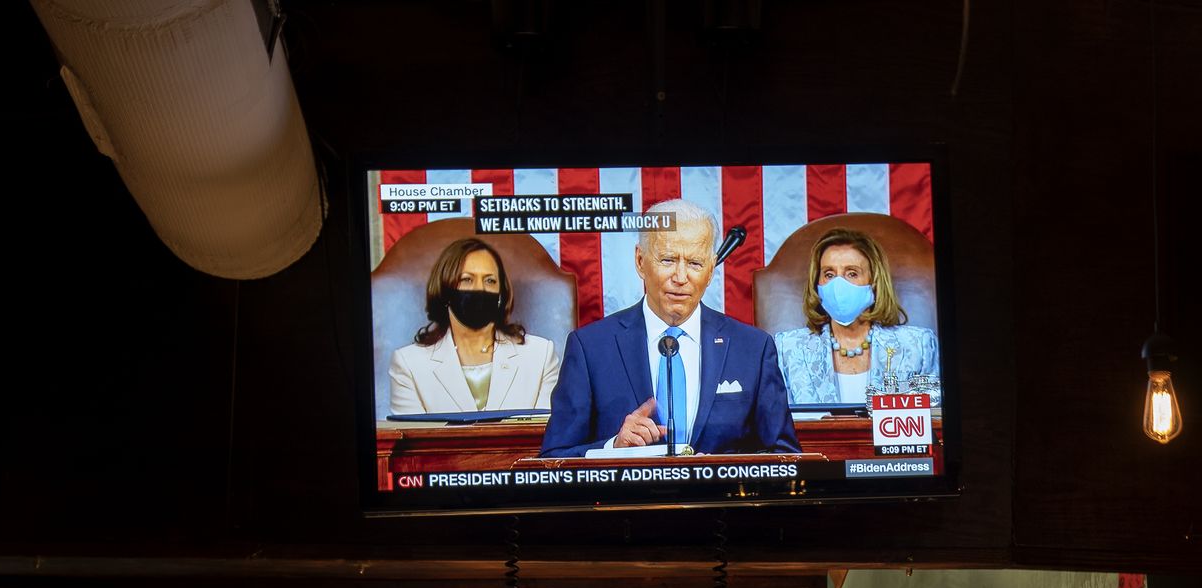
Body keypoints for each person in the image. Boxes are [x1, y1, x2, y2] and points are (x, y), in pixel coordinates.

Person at [540, 199, 800, 457]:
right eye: (667, 260)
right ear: (640, 261)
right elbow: (553, 459)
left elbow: (785, 455)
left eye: (695, 264)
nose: (680, 277)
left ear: (710, 271)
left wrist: (720, 472)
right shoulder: (591, 348)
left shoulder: (753, 349)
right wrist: (613, 448)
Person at [388, 238, 562, 414]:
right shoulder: (409, 364)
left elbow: (547, 435)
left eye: (490, 281)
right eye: (467, 279)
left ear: (501, 293)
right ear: (445, 289)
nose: (479, 289)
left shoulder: (540, 356)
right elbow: (416, 440)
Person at [773, 227, 940, 406]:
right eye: (829, 274)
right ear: (817, 283)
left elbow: (933, 422)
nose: (838, 284)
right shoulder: (787, 349)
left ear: (874, 281)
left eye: (852, 273)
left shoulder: (918, 346)